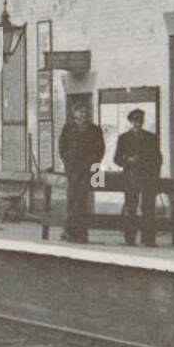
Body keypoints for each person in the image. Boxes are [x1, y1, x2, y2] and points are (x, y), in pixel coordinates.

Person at [114, 108, 162, 246]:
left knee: (148, 208)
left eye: (140, 121)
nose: (137, 124)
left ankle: (148, 239)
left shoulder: (151, 138)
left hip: (147, 177)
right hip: (131, 177)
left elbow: (158, 158)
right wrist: (128, 161)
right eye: (135, 121)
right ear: (130, 122)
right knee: (131, 208)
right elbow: (117, 158)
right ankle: (130, 238)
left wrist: (154, 174)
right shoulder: (123, 138)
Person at [58, 104, 104, 244]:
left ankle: (81, 233)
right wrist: (68, 164)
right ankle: (69, 232)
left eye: (84, 114)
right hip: (73, 170)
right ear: (74, 115)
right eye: (79, 114)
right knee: (71, 200)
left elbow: (100, 150)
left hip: (88, 170)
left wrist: (95, 169)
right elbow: (62, 148)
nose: (82, 117)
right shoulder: (68, 129)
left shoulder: (95, 130)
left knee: (82, 201)